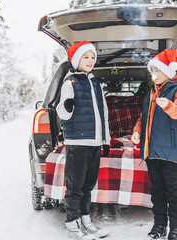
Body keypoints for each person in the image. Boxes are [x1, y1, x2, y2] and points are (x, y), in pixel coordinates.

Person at [131, 49, 177, 240]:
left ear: (169, 71)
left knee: (174, 192)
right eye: (152, 71)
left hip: (171, 152)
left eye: (157, 71)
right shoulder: (152, 91)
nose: (153, 75)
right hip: (152, 151)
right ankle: (159, 226)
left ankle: (176, 229)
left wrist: (168, 106)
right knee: (157, 192)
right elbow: (144, 117)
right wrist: (138, 131)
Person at [56, 41, 111, 240]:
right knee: (75, 186)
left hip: (95, 142)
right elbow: (62, 112)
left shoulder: (95, 83)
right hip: (78, 143)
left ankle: (85, 218)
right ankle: (72, 222)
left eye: (92, 57)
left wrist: (106, 140)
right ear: (77, 59)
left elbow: (103, 112)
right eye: (86, 57)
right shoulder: (70, 83)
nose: (90, 61)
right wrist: (68, 106)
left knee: (88, 185)